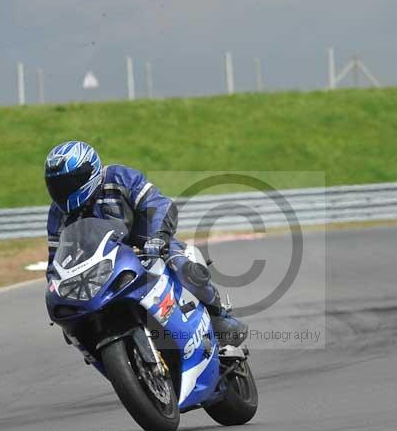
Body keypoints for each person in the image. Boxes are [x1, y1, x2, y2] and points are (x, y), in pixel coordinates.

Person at [43, 140, 248, 346]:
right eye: (57, 185)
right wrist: (61, 294)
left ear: (90, 171)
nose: (63, 191)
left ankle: (218, 316)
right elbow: (55, 260)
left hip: (148, 246)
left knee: (184, 267)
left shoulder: (119, 177)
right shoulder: (57, 213)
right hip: (102, 266)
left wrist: (158, 238)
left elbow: (159, 204)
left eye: (69, 183)